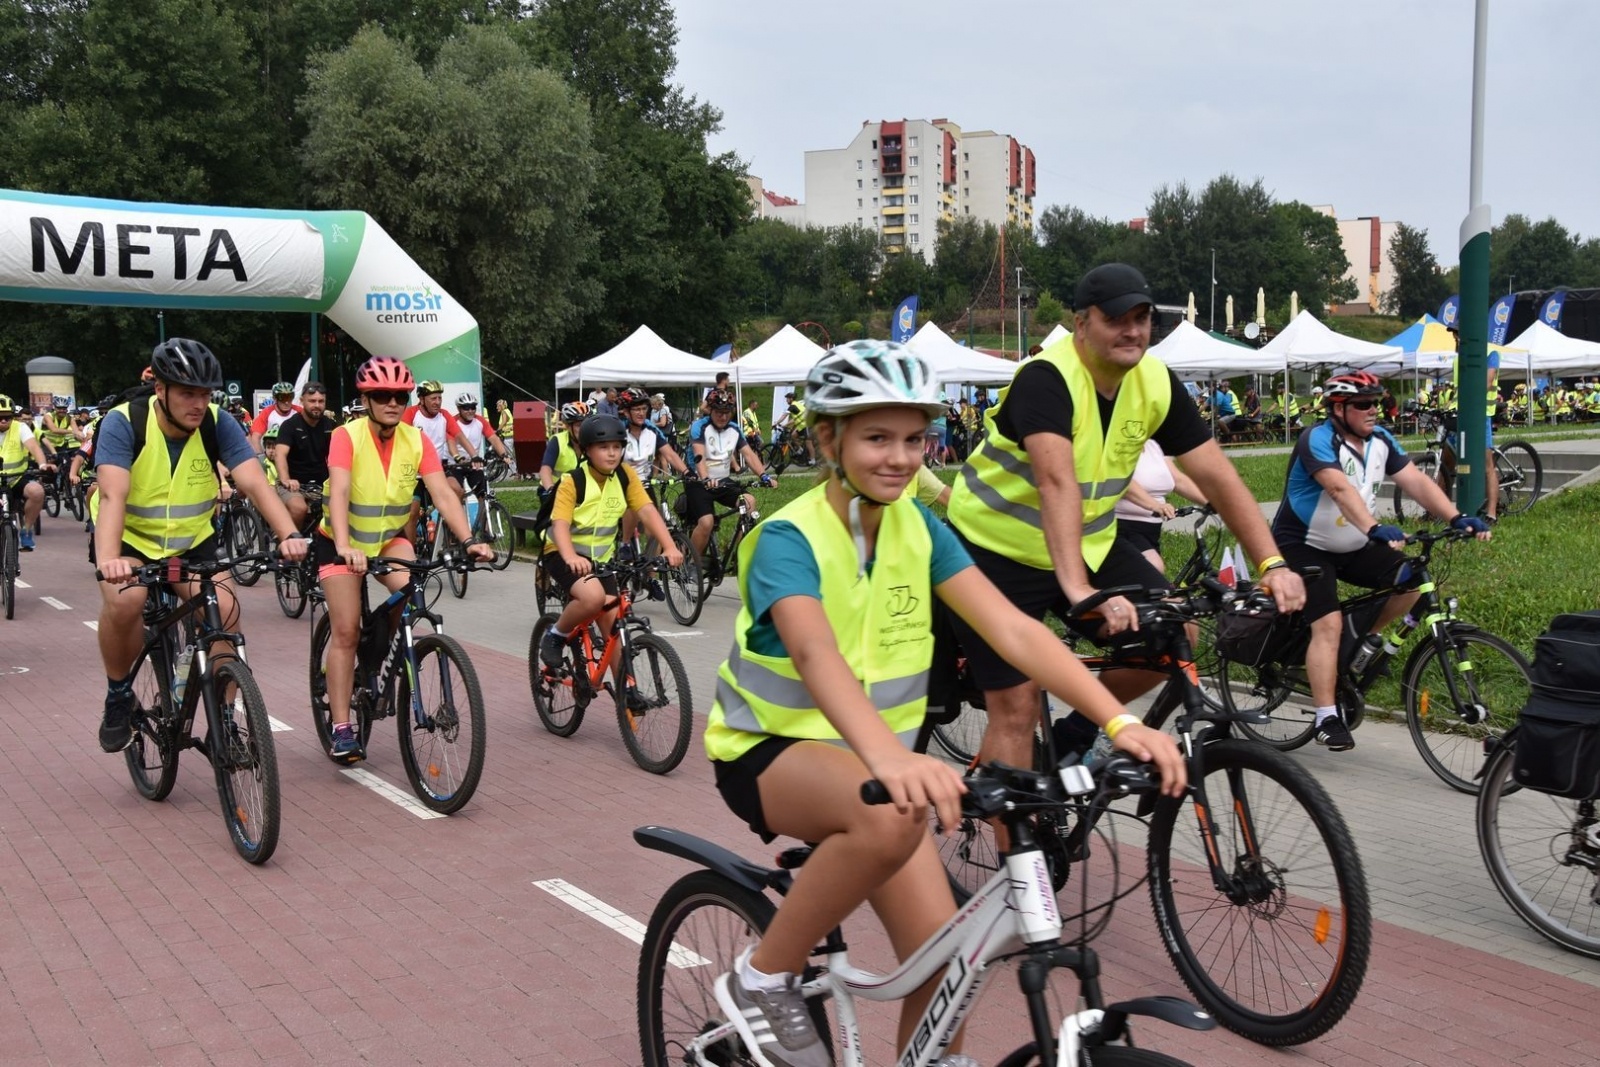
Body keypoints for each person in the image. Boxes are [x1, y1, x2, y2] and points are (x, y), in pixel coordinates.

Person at [702, 341, 1186, 1067]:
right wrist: (892, 758)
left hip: (879, 770)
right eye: (876, 437)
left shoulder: (920, 528)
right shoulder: (787, 537)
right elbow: (816, 656)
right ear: (828, 439)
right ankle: (763, 976)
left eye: (913, 438)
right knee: (893, 812)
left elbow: (1015, 629)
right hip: (770, 753)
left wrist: (1118, 723)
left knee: (944, 969)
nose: (899, 456)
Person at [945, 263, 1307, 774]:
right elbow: (1057, 482)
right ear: (1081, 323)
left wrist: (1271, 564)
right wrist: (1077, 589)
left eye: (1142, 318)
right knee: (1018, 705)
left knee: (1177, 639)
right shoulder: (1046, 378)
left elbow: (1219, 477)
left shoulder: (1154, 380)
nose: (1133, 330)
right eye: (1117, 318)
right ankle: (1016, 848)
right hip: (995, 551)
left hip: (1089, 542)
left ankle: (1074, 735)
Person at [91, 339, 307, 753]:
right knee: (126, 601)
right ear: (161, 391)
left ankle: (224, 720)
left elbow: (255, 482)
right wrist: (108, 560)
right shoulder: (124, 423)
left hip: (191, 541)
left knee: (225, 610)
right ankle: (119, 694)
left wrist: (289, 535)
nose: (198, 403)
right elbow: (113, 496)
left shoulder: (216, 422)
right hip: (129, 539)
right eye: (187, 393)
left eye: (205, 394)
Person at [1271, 371, 1491, 750]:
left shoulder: (1381, 440)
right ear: (1338, 409)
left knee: (1412, 580)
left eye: (1377, 402)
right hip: (1304, 545)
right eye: (1363, 404)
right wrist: (1374, 527)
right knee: (1328, 623)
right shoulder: (1318, 439)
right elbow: (1339, 488)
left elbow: (1417, 483)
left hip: (1353, 542)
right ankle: (1326, 717)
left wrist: (1456, 516)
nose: (1374, 410)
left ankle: (1362, 642)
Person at [318, 358, 491, 761]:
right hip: (340, 541)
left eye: (400, 395)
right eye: (382, 396)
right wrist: (345, 545)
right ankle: (342, 727)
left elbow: (443, 494)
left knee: (412, 593)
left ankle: (375, 655)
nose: (392, 402)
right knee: (345, 631)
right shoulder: (347, 435)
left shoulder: (416, 439)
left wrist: (468, 541)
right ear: (366, 399)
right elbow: (339, 491)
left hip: (389, 539)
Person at [536, 414, 684, 703]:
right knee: (592, 599)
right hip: (562, 553)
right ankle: (555, 635)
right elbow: (561, 525)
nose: (612, 453)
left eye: (617, 447)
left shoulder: (625, 476)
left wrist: (670, 547)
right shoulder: (573, 481)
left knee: (613, 622)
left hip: (602, 559)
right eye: (604, 447)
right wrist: (569, 556)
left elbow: (646, 510)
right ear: (588, 450)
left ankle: (627, 692)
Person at [686, 390, 774, 563]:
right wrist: (705, 478)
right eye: (718, 412)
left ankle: (739, 555)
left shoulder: (734, 429)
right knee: (706, 522)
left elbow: (748, 454)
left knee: (749, 503)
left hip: (723, 481)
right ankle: (692, 562)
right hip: (698, 481)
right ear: (710, 410)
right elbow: (699, 456)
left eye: (727, 413)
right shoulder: (700, 427)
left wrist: (764, 476)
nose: (723, 417)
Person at [1113, 439, 1208, 572]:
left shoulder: (1154, 445)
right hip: (1120, 526)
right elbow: (1122, 481)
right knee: (1153, 567)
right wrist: (1156, 505)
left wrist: (1213, 502)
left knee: (1151, 583)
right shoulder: (1115, 444)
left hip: (1151, 528)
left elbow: (1178, 480)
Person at [270, 382, 337, 531]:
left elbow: (339, 456)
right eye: (312, 401)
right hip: (293, 484)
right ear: (302, 401)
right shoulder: (290, 425)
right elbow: (280, 454)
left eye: (321, 401)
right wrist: (286, 479)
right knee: (299, 508)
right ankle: (290, 542)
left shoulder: (330, 426)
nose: (317, 405)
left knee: (338, 509)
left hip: (320, 484)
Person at [0, 394, 56, 551]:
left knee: (37, 492)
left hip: (17, 478)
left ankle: (26, 530)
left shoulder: (20, 427)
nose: (4, 421)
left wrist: (43, 464)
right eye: (0, 417)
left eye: (8, 417)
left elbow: (34, 447)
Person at [453, 392, 513, 496]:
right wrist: (457, 458)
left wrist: (504, 455)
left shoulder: (480, 421)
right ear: (459, 409)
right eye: (466, 408)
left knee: (483, 493)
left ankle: (484, 511)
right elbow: (449, 444)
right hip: (455, 465)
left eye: (473, 407)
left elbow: (493, 438)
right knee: (458, 492)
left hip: (474, 464)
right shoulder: (453, 422)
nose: (470, 411)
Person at [538, 402, 589, 489]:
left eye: (587, 424)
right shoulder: (557, 441)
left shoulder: (592, 443)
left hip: (579, 491)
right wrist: (551, 489)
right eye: (578, 425)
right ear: (568, 426)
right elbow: (545, 470)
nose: (583, 429)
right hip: (555, 488)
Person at [248, 381, 300, 453]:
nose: (287, 402)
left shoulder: (299, 412)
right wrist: (261, 457)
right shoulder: (267, 412)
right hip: (274, 454)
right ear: (275, 399)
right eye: (282, 398)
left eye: (290, 397)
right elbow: (255, 437)